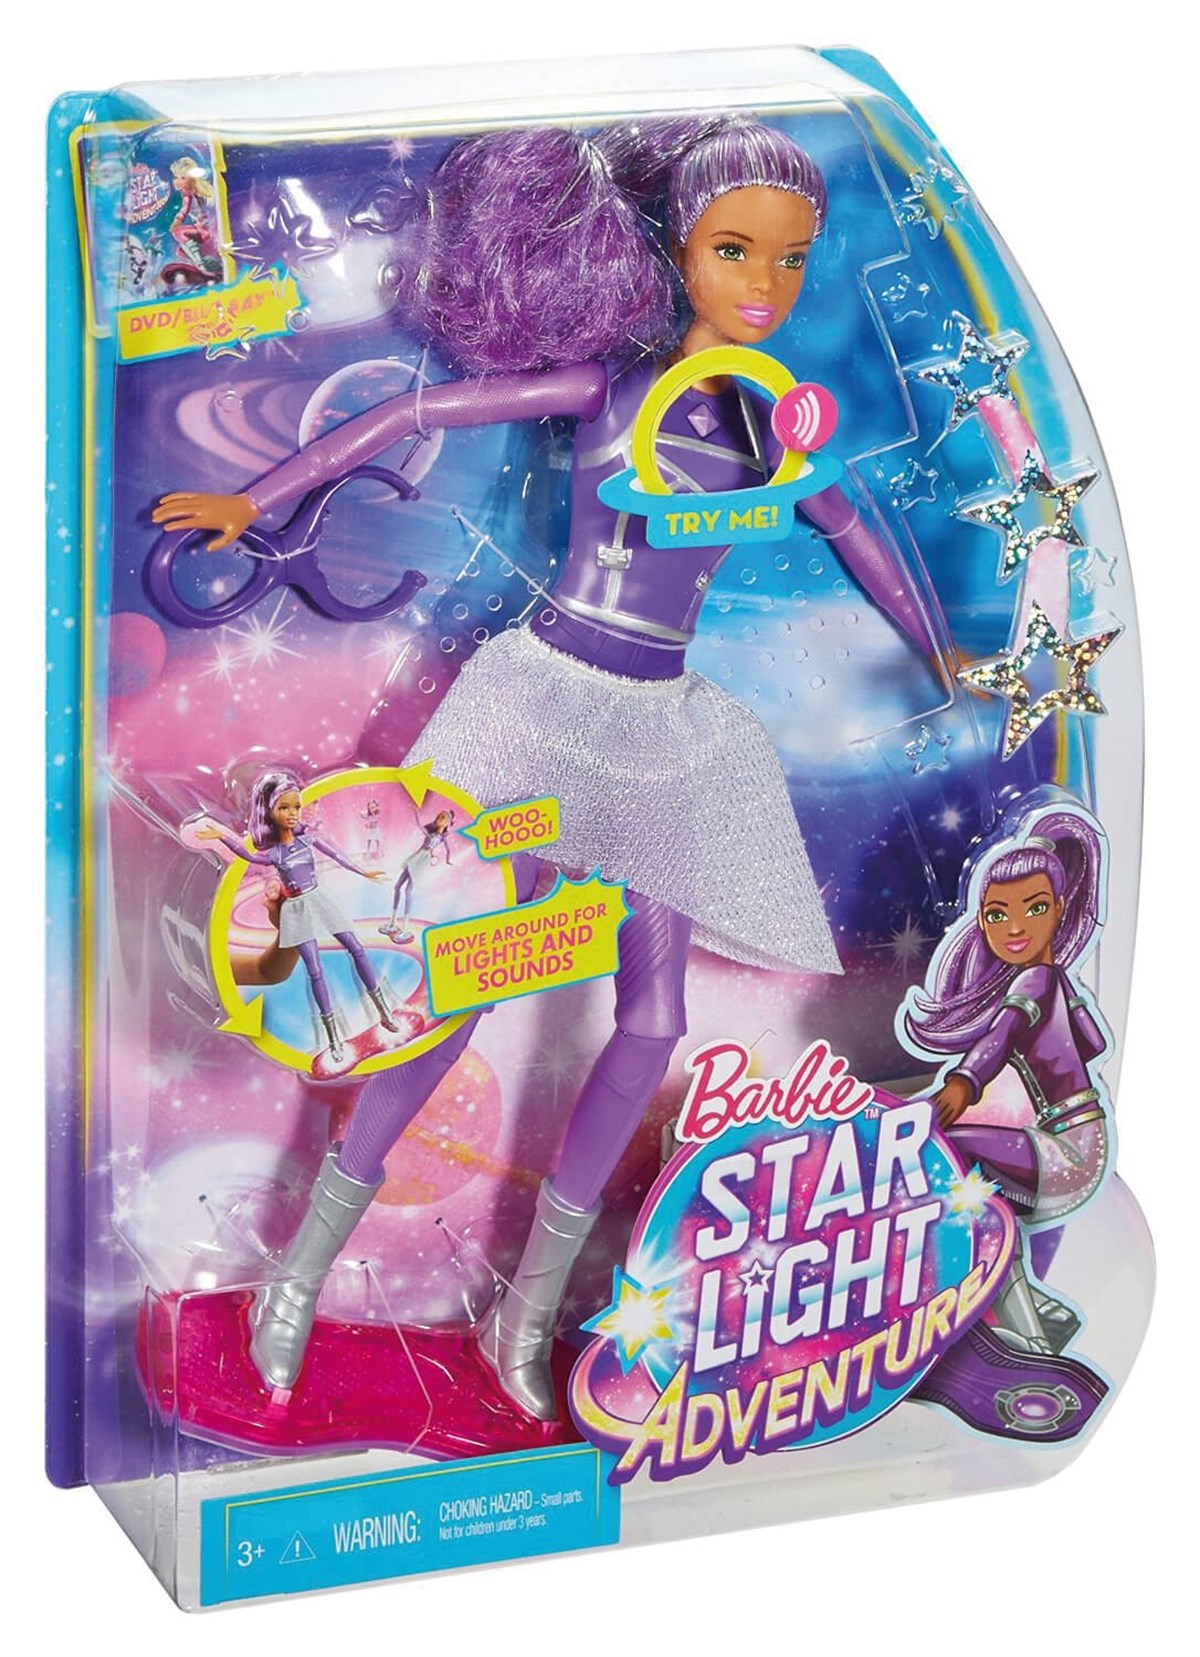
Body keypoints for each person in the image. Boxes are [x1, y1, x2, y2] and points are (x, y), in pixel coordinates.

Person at [154, 117, 943, 1419]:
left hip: (664, 733)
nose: (764, 282)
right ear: (675, 249)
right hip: (543, 705)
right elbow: (415, 409)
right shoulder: (614, 392)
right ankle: (295, 1276)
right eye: (734, 250)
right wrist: (261, 501)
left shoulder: (775, 428)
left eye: (790, 259)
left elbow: (857, 531)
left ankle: (527, 1314)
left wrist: (947, 652)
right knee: (457, 987)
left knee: (653, 1022)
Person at [901, 805, 1111, 1355]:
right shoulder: (1057, 981)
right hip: (1076, 1144)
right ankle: (1038, 1311)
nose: (1015, 928)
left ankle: (1025, 1332)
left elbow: (1002, 1035)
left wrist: (963, 1083)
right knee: (985, 1205)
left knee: (945, 1151)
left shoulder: (1035, 982)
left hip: (1067, 1154)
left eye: (1034, 908)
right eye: (997, 915)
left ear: (1059, 907)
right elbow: (1094, 1045)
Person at [196, 771, 395, 1065]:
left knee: (356, 948)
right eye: (284, 808)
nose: (292, 814)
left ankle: (384, 1012)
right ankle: (333, 1038)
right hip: (296, 908)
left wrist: (363, 872)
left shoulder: (308, 841)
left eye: (296, 807)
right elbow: (248, 856)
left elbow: (338, 856)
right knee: (315, 970)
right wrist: (221, 836)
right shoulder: (275, 854)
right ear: (270, 812)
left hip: (319, 898)